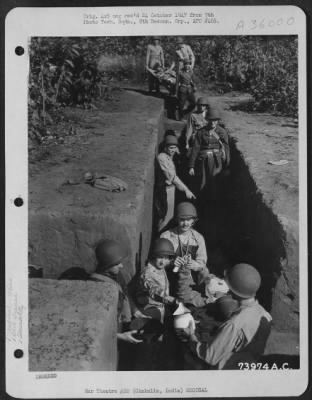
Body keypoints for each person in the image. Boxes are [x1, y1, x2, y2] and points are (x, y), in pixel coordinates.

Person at [175, 263, 272, 369]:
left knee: (186, 354)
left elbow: (209, 356)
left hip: (227, 371)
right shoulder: (265, 314)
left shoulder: (234, 324)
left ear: (232, 290)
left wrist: (191, 337)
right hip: (247, 365)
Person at [89, 239, 146, 344]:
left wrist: (135, 311)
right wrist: (120, 337)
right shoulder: (97, 288)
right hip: (108, 336)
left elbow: (125, 294)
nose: (121, 266)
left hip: (120, 324)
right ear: (107, 266)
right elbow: (95, 327)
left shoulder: (117, 274)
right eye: (117, 264)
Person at [161, 201, 210, 307]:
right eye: (182, 220)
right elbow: (158, 262)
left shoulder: (198, 238)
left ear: (193, 220)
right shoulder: (167, 236)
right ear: (177, 219)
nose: (185, 223)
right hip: (171, 277)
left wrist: (196, 265)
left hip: (191, 277)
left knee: (205, 271)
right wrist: (172, 262)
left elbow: (202, 261)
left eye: (189, 220)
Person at [155, 133, 195, 232]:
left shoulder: (169, 155)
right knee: (166, 216)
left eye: (174, 148)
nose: (173, 150)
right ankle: (160, 237)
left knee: (168, 215)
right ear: (165, 148)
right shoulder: (162, 158)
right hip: (165, 189)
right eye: (170, 148)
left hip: (170, 188)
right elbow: (173, 178)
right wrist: (186, 190)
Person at [188, 106, 230, 196]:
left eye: (215, 120)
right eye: (211, 120)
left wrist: (227, 164)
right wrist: (191, 166)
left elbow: (226, 148)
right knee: (202, 181)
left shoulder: (222, 132)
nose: (213, 122)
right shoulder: (201, 132)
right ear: (207, 120)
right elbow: (196, 148)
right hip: (203, 161)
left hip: (216, 161)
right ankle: (203, 200)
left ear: (218, 120)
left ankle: (214, 201)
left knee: (215, 181)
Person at [136, 238, 177, 322]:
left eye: (166, 258)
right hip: (149, 309)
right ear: (154, 256)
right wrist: (167, 297)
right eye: (160, 257)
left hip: (161, 307)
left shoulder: (160, 267)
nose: (163, 262)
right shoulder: (147, 272)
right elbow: (151, 287)